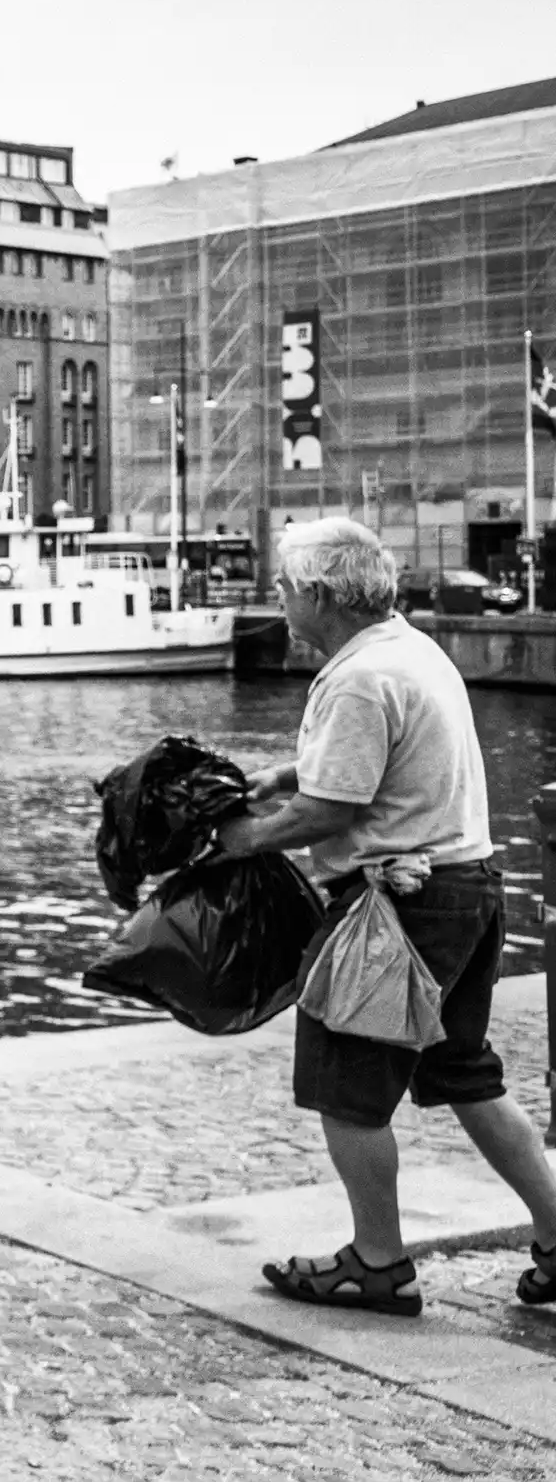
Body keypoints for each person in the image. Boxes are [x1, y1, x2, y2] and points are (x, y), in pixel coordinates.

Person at [213, 516, 556, 1314]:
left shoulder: (356, 678)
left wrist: (242, 840)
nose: (280, 600)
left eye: (285, 588)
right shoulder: (411, 650)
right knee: (465, 1073)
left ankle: (375, 1261)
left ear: (321, 595)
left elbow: (330, 811)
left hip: (396, 908)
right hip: (467, 886)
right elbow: (388, 751)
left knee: (345, 1086)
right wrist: (286, 769)